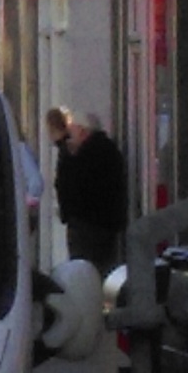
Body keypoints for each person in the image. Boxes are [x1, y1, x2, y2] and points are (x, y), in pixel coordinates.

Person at [51, 107, 130, 270]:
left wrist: (65, 152)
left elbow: (69, 185)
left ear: (82, 131)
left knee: (85, 271)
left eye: (72, 130)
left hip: (86, 226)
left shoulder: (84, 156)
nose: (69, 135)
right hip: (107, 226)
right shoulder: (108, 151)